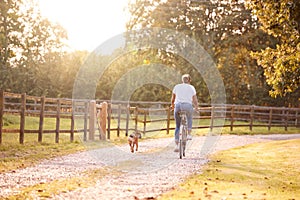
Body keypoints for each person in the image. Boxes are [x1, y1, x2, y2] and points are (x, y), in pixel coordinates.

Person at [171, 74, 199, 152]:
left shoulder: (177, 86)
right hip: (187, 106)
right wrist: (196, 107)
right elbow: (195, 100)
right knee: (189, 117)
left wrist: (172, 106)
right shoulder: (191, 87)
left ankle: (176, 145)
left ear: (182, 80)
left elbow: (173, 99)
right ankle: (189, 134)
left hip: (178, 106)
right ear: (189, 80)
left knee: (177, 126)